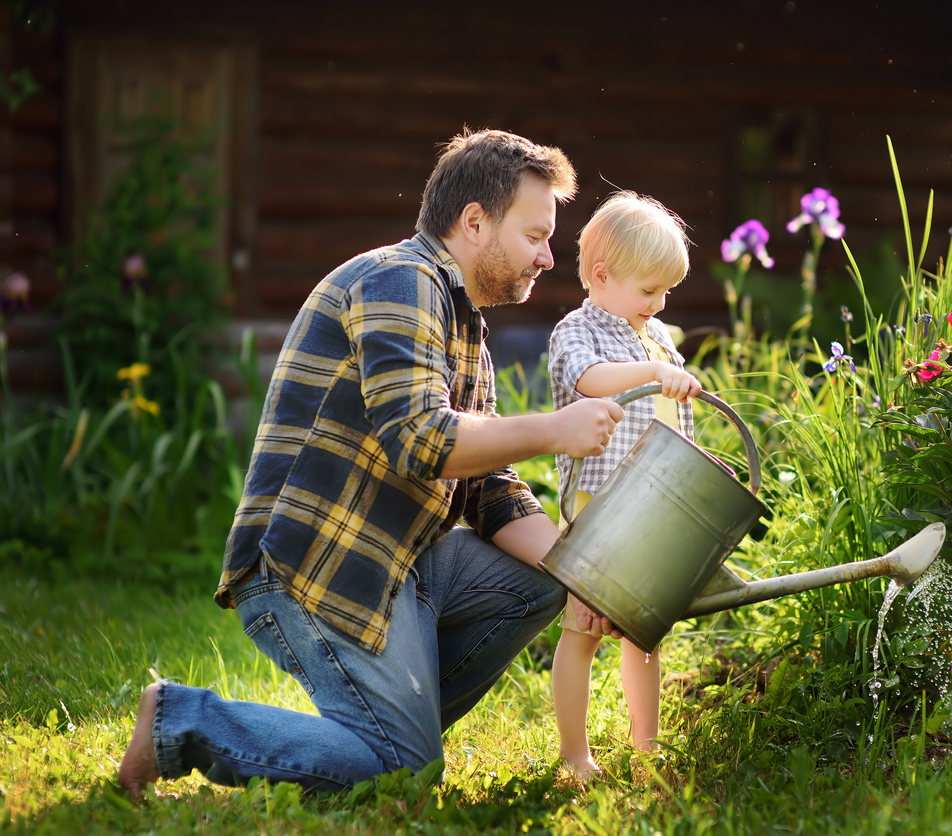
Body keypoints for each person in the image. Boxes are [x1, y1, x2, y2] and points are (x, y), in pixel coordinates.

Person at [118, 129, 627, 797]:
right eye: (535, 236)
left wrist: (588, 577)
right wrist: (554, 431)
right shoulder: (398, 279)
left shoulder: (463, 324)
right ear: (474, 222)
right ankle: (181, 721)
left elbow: (486, 491)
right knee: (404, 772)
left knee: (541, 580)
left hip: (399, 561)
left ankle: (375, 730)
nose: (547, 256)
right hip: (318, 563)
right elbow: (421, 440)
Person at [546, 192, 703, 778]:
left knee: (644, 634)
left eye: (666, 293)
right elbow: (589, 382)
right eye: (648, 291)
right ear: (603, 275)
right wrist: (655, 372)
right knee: (583, 631)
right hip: (599, 510)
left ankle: (646, 746)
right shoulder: (576, 332)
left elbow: (670, 419)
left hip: (654, 509)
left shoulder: (655, 335)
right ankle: (574, 754)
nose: (658, 304)